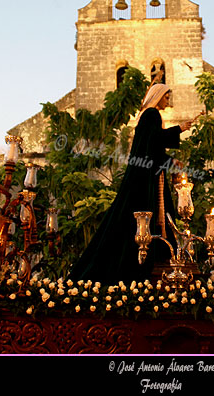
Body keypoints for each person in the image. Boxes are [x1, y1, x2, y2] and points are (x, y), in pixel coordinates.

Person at [69, 83, 197, 285]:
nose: (167, 101)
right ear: (157, 97)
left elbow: (151, 148)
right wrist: (179, 128)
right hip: (146, 179)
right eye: (165, 97)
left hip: (149, 175)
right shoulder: (151, 115)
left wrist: (170, 161)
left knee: (157, 217)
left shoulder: (149, 116)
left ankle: (158, 254)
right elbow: (153, 142)